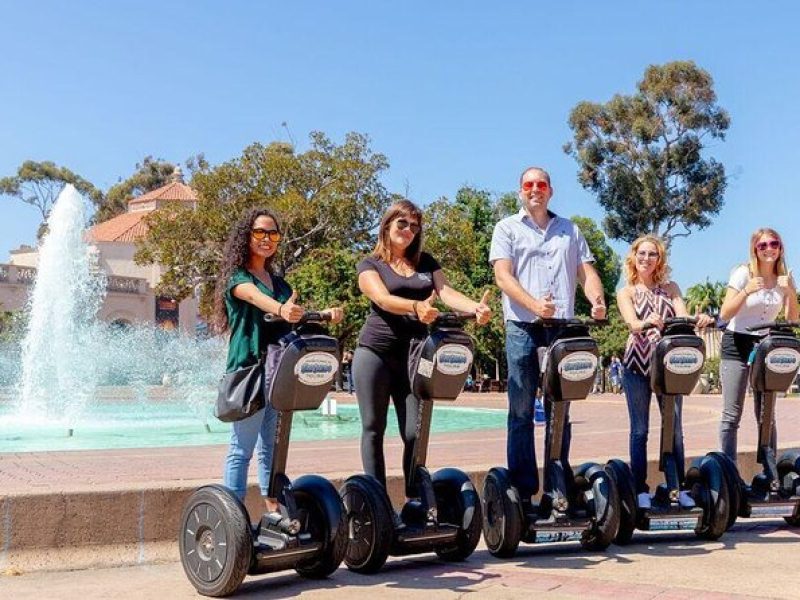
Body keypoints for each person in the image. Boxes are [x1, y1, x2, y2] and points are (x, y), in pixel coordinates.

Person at [353, 199, 491, 513]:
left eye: (414, 226)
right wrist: (416, 307)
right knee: (373, 428)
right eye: (402, 224)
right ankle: (378, 505)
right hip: (375, 352)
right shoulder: (370, 264)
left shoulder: (426, 262)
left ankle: (416, 501)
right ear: (387, 225)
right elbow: (383, 299)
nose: (408, 231)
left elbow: (446, 293)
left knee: (415, 432)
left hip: (415, 357)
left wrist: (474, 308)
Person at [213, 208, 343, 530]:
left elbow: (295, 314)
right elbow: (257, 299)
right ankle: (234, 520)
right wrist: (282, 308)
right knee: (241, 448)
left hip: (278, 373)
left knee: (271, 446)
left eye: (273, 234)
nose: (267, 239)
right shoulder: (238, 279)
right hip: (250, 371)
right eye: (260, 232)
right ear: (247, 236)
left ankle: (273, 511)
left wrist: (324, 314)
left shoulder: (280, 283)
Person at [489, 166, 606, 510]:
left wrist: (597, 299)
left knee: (560, 411)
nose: (535, 189)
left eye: (541, 184)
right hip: (523, 326)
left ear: (550, 190)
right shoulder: (506, 228)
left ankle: (557, 486)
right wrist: (534, 305)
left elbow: (587, 272)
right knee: (522, 410)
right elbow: (502, 276)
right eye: (528, 185)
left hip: (561, 330)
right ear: (520, 191)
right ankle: (524, 491)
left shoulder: (569, 229)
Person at [616, 234, 714, 510]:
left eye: (653, 254)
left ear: (660, 259)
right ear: (634, 257)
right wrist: (644, 321)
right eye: (642, 254)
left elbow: (681, 317)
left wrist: (699, 320)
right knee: (640, 430)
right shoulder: (627, 291)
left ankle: (675, 487)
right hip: (637, 365)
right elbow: (631, 323)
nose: (646, 259)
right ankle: (639, 489)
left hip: (668, 368)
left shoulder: (670, 288)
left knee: (675, 430)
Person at [718, 228, 798, 466]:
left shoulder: (786, 277)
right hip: (736, 342)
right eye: (762, 245)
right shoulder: (743, 273)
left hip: (766, 346)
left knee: (766, 415)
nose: (769, 249)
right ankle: (727, 470)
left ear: (781, 248)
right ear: (755, 249)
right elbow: (724, 313)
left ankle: (768, 470)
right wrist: (746, 290)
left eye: (773, 244)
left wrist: (790, 292)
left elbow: (792, 319)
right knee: (732, 415)